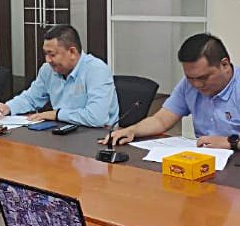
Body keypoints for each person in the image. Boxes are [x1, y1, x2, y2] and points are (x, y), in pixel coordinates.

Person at [102, 33, 240, 150]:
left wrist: (231, 142)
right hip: (205, 159)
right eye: (190, 78)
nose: (197, 84)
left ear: (224, 65)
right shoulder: (188, 85)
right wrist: (132, 130)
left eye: (203, 77)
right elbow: (161, 120)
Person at [0, 24, 119, 127]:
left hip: (98, 136)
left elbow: (97, 117)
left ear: (72, 52)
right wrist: (8, 107)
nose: (47, 60)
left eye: (52, 55)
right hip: (63, 131)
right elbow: (31, 98)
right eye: (45, 54)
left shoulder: (96, 70)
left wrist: (56, 114)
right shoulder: (48, 70)